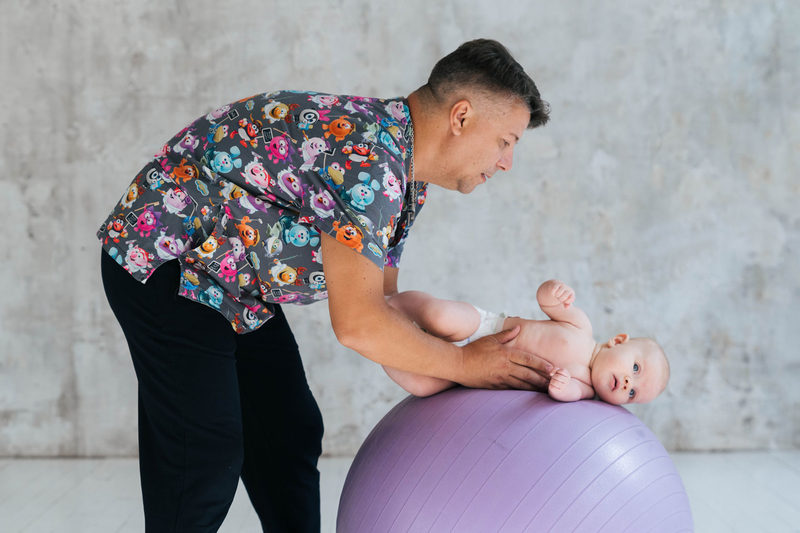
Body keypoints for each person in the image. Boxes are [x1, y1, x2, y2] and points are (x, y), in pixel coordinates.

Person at [98, 38, 551, 532]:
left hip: (230, 283)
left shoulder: (403, 170)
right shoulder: (370, 159)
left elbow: (385, 304)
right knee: (203, 447)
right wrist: (465, 365)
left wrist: (486, 337)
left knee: (288, 431)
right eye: (506, 140)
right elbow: (359, 324)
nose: (507, 162)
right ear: (461, 116)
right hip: (167, 258)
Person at [383, 279, 670, 405]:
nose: (628, 384)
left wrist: (561, 386)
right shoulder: (582, 327)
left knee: (423, 385)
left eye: (633, 394)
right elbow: (547, 302)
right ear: (618, 341)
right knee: (441, 317)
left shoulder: (585, 386)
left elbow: (566, 392)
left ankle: (383, 343)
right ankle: (392, 303)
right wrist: (554, 291)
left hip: (472, 376)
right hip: (486, 328)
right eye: (635, 368)